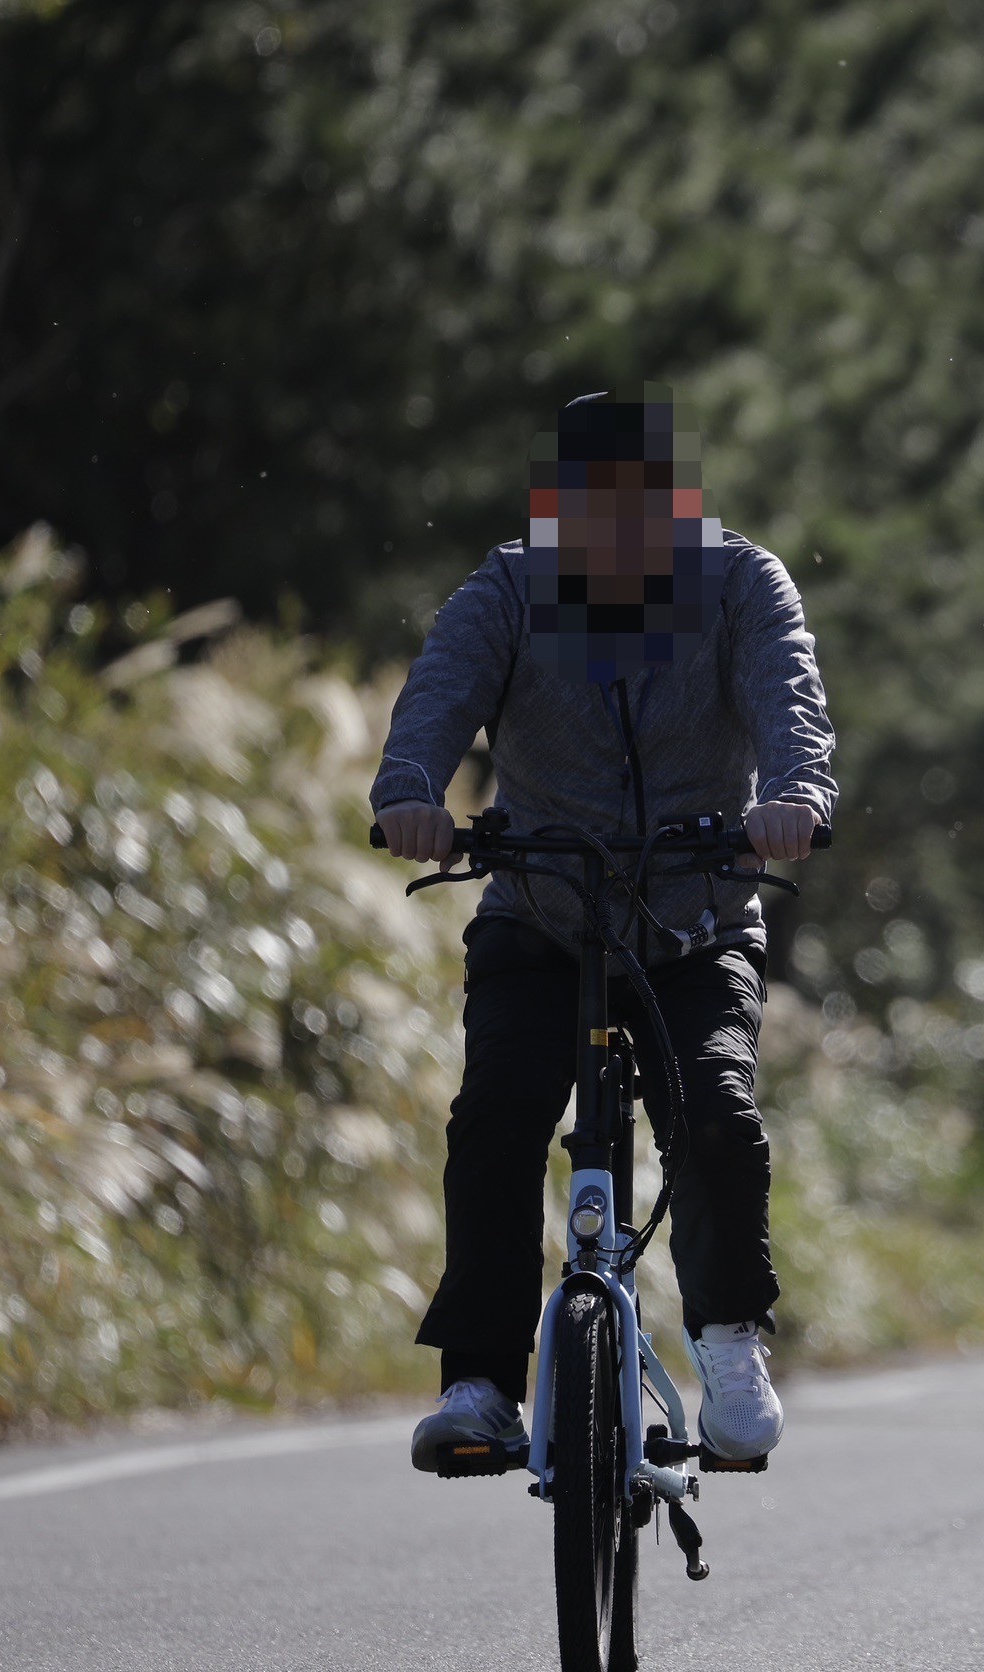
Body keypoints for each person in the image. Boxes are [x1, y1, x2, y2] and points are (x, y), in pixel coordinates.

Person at [373, 388, 837, 1470]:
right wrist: (408, 793)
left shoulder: (739, 583)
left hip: (696, 920)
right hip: (542, 911)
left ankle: (729, 1340)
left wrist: (796, 797)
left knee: (716, 1117)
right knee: (495, 1119)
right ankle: (482, 1384)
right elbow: (439, 694)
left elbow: (791, 702)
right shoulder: (512, 587)